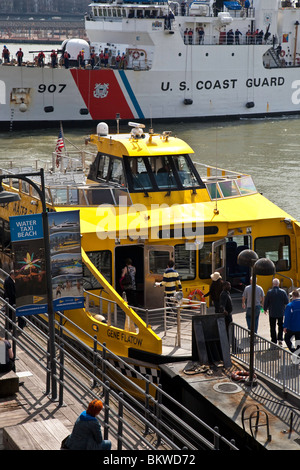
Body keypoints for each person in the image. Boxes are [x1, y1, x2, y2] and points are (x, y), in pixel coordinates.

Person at [264, 278, 289, 345]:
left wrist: (265, 309)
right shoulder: (283, 292)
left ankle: (273, 340)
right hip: (281, 312)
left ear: (273, 284)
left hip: (272, 312)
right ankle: (280, 339)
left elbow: (266, 302)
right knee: (280, 326)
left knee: (272, 326)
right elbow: (286, 301)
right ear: (278, 284)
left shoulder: (269, 292)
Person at [283, 289, 300, 354]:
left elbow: (287, 317)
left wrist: (285, 326)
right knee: (298, 341)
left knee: (287, 339)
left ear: (293, 296)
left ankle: (294, 351)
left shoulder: (290, 305)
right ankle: (298, 354)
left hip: (292, 327)